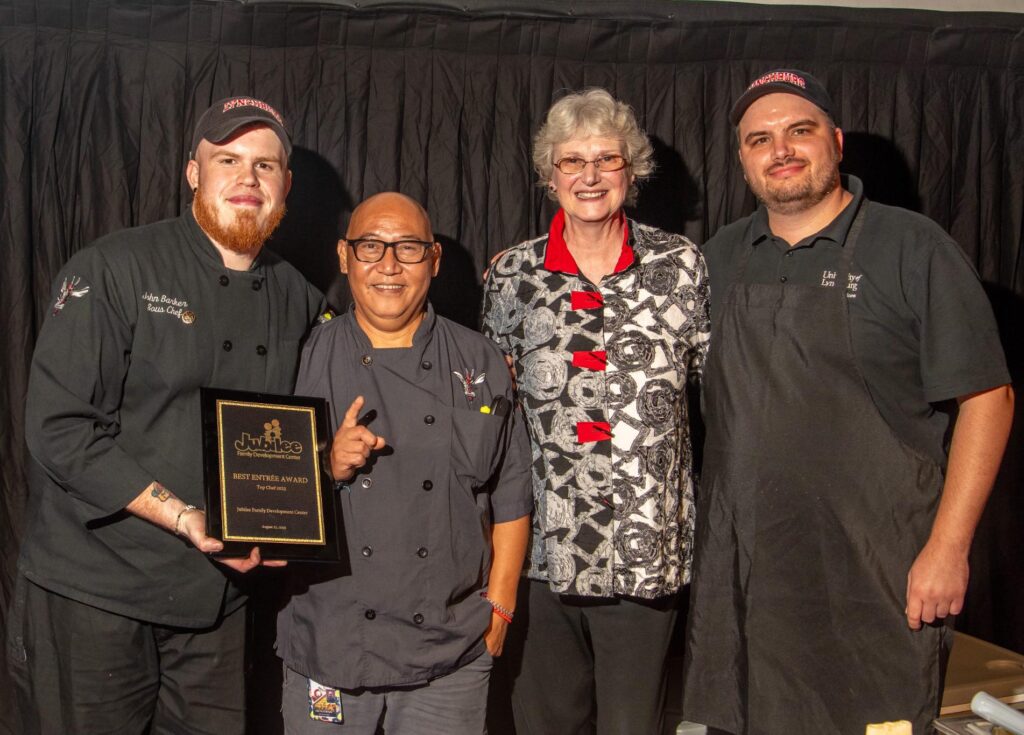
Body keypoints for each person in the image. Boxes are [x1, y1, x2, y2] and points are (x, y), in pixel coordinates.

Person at [682, 69, 1014, 733]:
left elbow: (989, 397)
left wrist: (948, 547)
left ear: (834, 141)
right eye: (760, 139)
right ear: (744, 158)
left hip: (874, 572)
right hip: (742, 576)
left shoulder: (912, 248)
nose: (780, 149)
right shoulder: (716, 258)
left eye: (799, 131)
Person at [7, 97, 327, 735]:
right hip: (96, 588)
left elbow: (304, 433)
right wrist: (184, 516)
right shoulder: (115, 267)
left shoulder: (301, 298)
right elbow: (59, 428)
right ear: (192, 173)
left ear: (286, 184)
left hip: (217, 600)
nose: (247, 179)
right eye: (227, 160)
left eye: (265, 166)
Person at [481, 88, 711, 735]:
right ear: (549, 174)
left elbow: (720, 397)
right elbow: (490, 416)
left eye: (606, 159)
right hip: (542, 557)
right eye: (571, 161)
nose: (588, 176)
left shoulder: (682, 267)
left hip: (647, 557)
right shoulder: (514, 276)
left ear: (631, 170)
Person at [276, 192, 532, 735]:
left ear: (434, 261)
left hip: (452, 646)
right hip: (335, 641)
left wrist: (502, 604)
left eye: (408, 249)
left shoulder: (478, 359)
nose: (389, 265)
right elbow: (263, 493)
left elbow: (510, 487)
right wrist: (326, 466)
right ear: (344, 257)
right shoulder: (304, 354)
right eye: (371, 247)